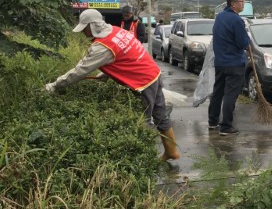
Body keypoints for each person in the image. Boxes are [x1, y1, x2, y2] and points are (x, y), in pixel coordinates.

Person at [45, 9, 180, 162]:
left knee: (143, 122)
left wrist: (55, 85)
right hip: (154, 73)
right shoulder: (116, 31)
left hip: (142, 83)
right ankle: (171, 151)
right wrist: (107, 73)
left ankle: (143, 161)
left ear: (93, 25)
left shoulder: (102, 47)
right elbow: (125, 56)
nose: (83, 32)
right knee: (160, 115)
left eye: (85, 28)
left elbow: (79, 71)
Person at [208, 0, 250, 136]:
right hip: (234, 63)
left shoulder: (220, 17)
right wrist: (248, 41)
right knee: (230, 95)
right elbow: (243, 43)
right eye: (241, 1)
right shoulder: (237, 20)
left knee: (218, 92)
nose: (243, 3)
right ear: (233, 3)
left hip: (220, 62)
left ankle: (212, 122)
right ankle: (226, 126)